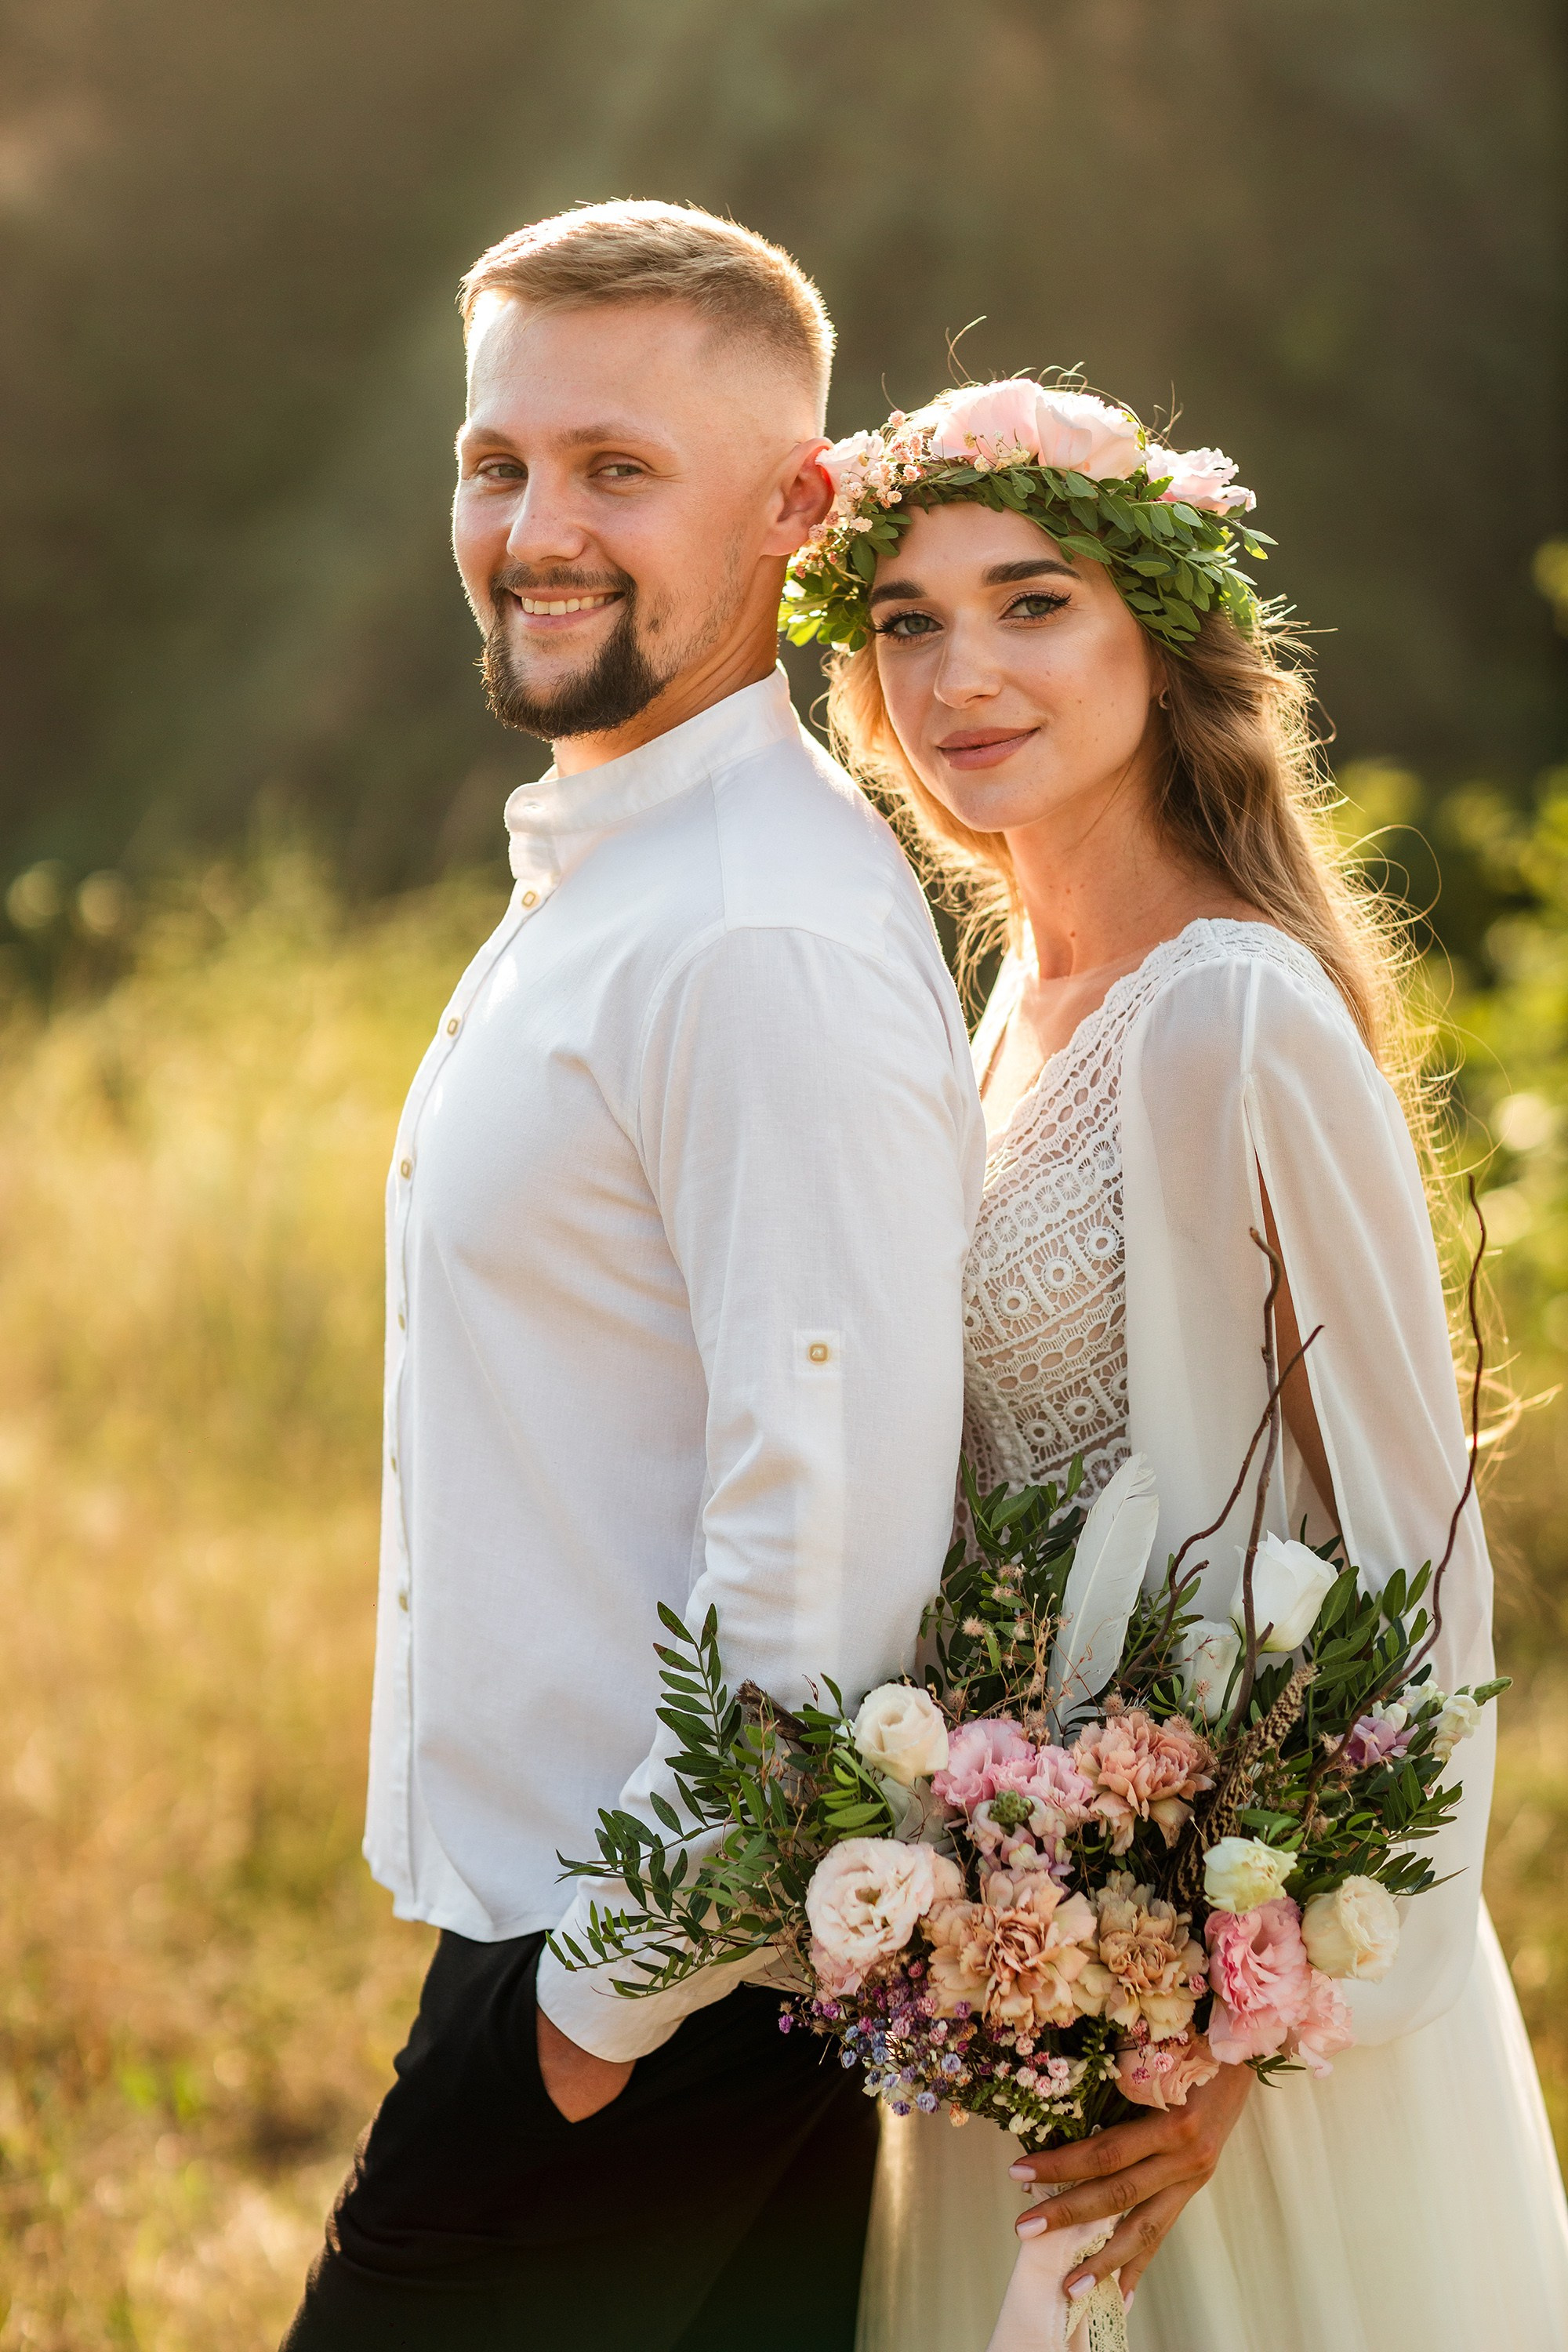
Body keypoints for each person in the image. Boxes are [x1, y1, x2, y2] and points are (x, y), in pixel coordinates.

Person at [282, 202, 985, 2350]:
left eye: (617, 470)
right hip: (618, 1953)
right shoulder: (623, 867)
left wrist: (593, 2008)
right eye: (500, 465)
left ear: (794, 510)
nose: (534, 530)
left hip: (640, 1984)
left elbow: (841, 1541)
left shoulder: (748, 931)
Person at [804, 377, 1568, 2350]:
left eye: (1030, 602)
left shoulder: (1235, 1015)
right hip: (1012, 1958)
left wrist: (1246, 2027)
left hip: (1226, 2032)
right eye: (906, 621)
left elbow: (1415, 1559)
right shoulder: (1000, 1008)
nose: (959, 670)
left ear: (1161, 636)